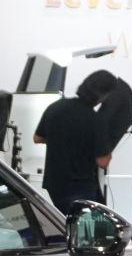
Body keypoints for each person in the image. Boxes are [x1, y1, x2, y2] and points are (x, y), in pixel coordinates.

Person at [34, 70, 119, 210]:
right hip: (80, 188)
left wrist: (60, 139)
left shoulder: (56, 107)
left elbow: (37, 138)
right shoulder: (96, 120)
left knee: (59, 221)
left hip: (54, 185)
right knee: (83, 224)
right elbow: (102, 161)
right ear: (103, 95)